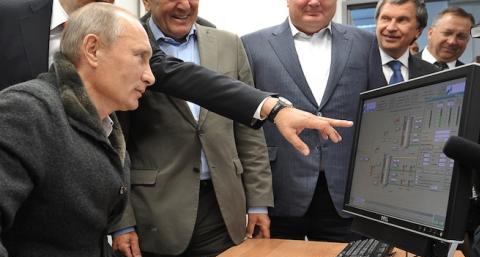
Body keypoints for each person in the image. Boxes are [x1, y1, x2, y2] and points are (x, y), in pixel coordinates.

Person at [0, 0, 353, 157]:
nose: (145, 73)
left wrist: (273, 109)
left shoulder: (123, 29)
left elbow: (180, 75)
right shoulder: (9, 16)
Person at [111, 0, 273, 257]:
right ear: (147, 2)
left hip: (221, 208)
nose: (184, 5)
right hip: (153, 213)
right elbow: (117, 142)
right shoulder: (126, 44)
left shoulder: (229, 44)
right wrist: (121, 221)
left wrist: (258, 203)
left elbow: (248, 130)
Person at [0, 3, 155, 257]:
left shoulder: (106, 127)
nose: (150, 76)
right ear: (92, 49)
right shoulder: (27, 111)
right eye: (139, 56)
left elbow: (84, 241)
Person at [241, 0, 385, 242]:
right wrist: (256, 203)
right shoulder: (252, 45)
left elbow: (379, 117)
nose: (315, 2)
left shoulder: (364, 43)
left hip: (346, 196)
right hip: (279, 190)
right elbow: (245, 123)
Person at [375, 0, 438, 85]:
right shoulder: (355, 68)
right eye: (385, 18)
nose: (391, 28)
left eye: (402, 20)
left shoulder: (432, 74)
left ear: (418, 31)